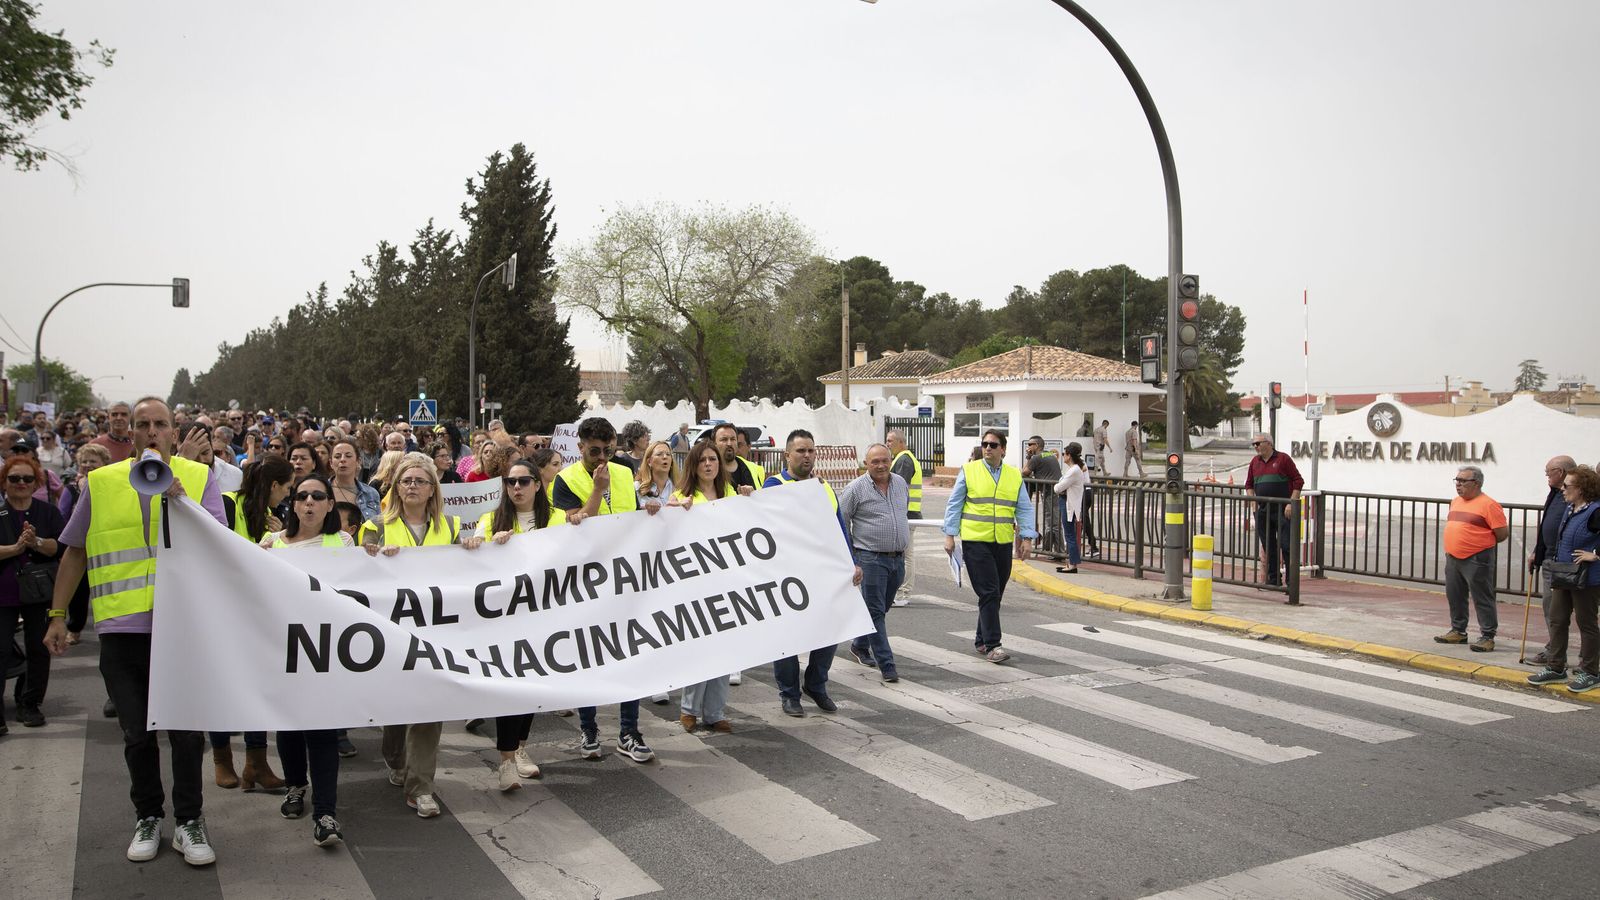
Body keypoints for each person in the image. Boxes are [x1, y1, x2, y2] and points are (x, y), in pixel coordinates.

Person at [43, 397, 225, 866]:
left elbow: (221, 545)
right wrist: (58, 615)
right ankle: (148, 816)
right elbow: (75, 552)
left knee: (186, 732)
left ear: (172, 429)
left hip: (183, 626)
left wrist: (180, 499)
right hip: (123, 629)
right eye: (142, 424)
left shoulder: (201, 476)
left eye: (159, 424)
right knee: (136, 732)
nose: (150, 432)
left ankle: (189, 821)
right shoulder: (101, 482)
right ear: (127, 432)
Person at [360, 454, 465, 817]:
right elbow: (357, 573)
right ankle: (394, 756)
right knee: (397, 706)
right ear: (396, 487)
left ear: (432, 488)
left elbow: (466, 573)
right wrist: (372, 555)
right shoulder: (375, 525)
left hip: (436, 631)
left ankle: (421, 788)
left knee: (428, 707)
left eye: (421, 481)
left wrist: (469, 550)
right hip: (391, 630)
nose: (413, 487)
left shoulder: (451, 525)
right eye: (406, 481)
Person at [551, 418, 656, 762]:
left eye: (607, 449)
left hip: (624, 578)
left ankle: (629, 730)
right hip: (585, 582)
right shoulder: (565, 481)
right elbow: (577, 527)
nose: (601, 457)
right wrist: (597, 489)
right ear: (579, 447)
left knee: (630, 654)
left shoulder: (626, 471)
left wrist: (651, 509)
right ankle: (589, 727)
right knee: (587, 657)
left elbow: (635, 517)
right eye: (594, 451)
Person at [260, 473, 352, 846]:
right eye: (302, 496)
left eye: (318, 496)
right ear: (293, 504)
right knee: (289, 727)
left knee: (323, 732)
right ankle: (296, 786)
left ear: (330, 504)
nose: (309, 502)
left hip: (326, 651)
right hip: (283, 649)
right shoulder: (270, 544)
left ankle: (325, 812)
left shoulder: (342, 542)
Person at [461, 457, 551, 790]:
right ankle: (506, 760)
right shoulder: (490, 519)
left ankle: (521, 749)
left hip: (543, 619)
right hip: (505, 621)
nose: (516, 487)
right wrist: (476, 545)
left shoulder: (554, 519)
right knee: (510, 690)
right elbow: (476, 563)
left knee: (531, 689)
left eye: (524, 481)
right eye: (511, 482)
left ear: (537, 485)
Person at [764, 429, 859, 715]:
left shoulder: (824, 487)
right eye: (801, 451)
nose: (807, 456)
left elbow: (839, 528)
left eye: (811, 451)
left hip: (823, 573)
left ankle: (816, 684)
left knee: (830, 631)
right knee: (788, 636)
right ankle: (789, 694)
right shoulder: (774, 485)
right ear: (787, 455)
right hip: (788, 575)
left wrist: (851, 562)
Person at [213, 454, 291, 791]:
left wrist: (282, 537)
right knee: (223, 688)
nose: (288, 496)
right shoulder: (227, 505)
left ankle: (256, 763)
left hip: (258, 613)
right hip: (224, 611)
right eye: (286, 489)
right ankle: (222, 759)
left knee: (258, 688)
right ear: (273, 485)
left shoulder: (275, 517)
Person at [944, 429, 1035, 663]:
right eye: (984, 444)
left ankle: (981, 639)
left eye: (993, 445)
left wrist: (1026, 538)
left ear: (1003, 449)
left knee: (995, 594)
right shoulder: (970, 470)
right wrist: (950, 535)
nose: (987, 448)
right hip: (976, 541)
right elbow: (955, 503)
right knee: (989, 592)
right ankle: (994, 645)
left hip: (1002, 542)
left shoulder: (1014, 475)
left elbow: (1023, 508)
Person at [671, 442, 737, 732]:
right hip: (695, 585)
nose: (709, 464)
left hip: (726, 582)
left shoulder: (730, 494)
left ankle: (715, 712)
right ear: (694, 466)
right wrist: (673, 509)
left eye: (713, 459)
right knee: (697, 649)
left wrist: (748, 498)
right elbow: (664, 528)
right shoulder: (681, 496)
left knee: (724, 649)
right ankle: (689, 710)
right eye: (703, 460)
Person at [1, 454, 64, 731]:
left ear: (36, 482)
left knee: (39, 649)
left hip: (39, 592)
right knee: (1, 650)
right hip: (3, 593)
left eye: (28, 479)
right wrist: (15, 549)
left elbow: (59, 548)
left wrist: (34, 541)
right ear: (4, 482)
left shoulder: (47, 512)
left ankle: (30, 703)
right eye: (14, 479)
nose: (21, 484)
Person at [1527, 465, 1600, 693]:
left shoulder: (1596, 511)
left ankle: (1590, 671)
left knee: (1587, 624)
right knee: (1558, 619)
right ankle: (1556, 667)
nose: (1563, 489)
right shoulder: (1570, 509)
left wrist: (1596, 555)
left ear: (1582, 488)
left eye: (1567, 486)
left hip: (1586, 578)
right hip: (1564, 574)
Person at [840, 444, 909, 684]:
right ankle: (887, 665)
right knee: (876, 611)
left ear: (890, 460)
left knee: (882, 607)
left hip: (897, 559)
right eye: (874, 462)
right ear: (866, 464)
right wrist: (852, 559)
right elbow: (841, 522)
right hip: (870, 559)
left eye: (884, 460)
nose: (880, 465)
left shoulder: (900, 483)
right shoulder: (855, 489)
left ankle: (859, 644)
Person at [1435, 465, 1509, 652]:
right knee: (1455, 594)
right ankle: (1458, 631)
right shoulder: (1455, 501)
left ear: (1476, 483)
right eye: (1457, 480)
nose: (1458, 484)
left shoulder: (1489, 505)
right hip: (1453, 556)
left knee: (1482, 596)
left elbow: (1501, 534)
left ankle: (1487, 635)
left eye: (1462, 481)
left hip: (1477, 557)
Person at [60, 443, 112, 646]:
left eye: (93, 461)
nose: (88, 465)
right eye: (85, 461)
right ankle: (74, 628)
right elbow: (62, 516)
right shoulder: (71, 489)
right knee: (79, 593)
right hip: (80, 546)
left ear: (104, 464)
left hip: (105, 545)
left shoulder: (113, 486)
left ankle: (109, 629)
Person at [1528, 455, 1577, 667]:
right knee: (1552, 611)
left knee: (1571, 613)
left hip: (1564, 563)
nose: (1546, 476)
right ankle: (1554, 651)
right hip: (1549, 560)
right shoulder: (1555, 493)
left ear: (1561, 472)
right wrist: (1536, 553)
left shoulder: (1573, 496)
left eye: (1549, 472)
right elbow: (1547, 526)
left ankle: (1567, 656)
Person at [1245, 434, 1304, 589]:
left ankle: (1291, 584)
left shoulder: (1283, 459)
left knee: (1286, 545)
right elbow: (1249, 485)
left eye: (1258, 443)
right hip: (1263, 510)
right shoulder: (1254, 462)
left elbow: (1298, 481)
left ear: (1269, 443)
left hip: (1283, 509)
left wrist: (1291, 503)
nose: (1256, 447)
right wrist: (1253, 501)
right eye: (1253, 444)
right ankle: (1273, 580)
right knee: (1269, 546)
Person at [886, 429, 922, 605]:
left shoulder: (904, 460)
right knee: (903, 554)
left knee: (906, 555)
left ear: (901, 442)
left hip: (906, 515)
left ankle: (903, 593)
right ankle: (900, 592)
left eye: (890, 441)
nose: (887, 444)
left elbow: (898, 489)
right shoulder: (901, 459)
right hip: (905, 514)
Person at [1053, 443, 1088, 574]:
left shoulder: (1074, 470)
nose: (1063, 456)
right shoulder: (1075, 469)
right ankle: (1071, 562)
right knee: (1070, 535)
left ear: (1069, 455)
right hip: (1069, 503)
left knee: (1069, 535)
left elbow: (1058, 488)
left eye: (1064, 454)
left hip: (1069, 505)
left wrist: (1060, 488)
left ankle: (1072, 564)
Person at [328, 439, 381, 522]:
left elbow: (378, 527)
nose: (342, 460)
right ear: (331, 463)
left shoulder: (371, 494)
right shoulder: (321, 491)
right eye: (337, 457)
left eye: (348, 456)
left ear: (358, 461)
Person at [712, 423, 758, 495]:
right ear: (714, 444)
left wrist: (754, 494)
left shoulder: (753, 468)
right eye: (724, 439)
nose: (729, 443)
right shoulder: (707, 471)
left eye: (733, 439)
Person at [636, 440, 678, 505]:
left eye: (668, 454)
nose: (665, 457)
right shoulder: (638, 487)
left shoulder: (680, 488)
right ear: (649, 462)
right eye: (659, 454)